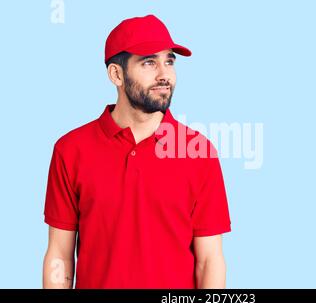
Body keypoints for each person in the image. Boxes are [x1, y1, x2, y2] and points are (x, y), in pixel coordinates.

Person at [42, 14, 231, 289]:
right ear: (116, 74)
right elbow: (59, 255)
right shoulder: (70, 150)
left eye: (169, 61)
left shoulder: (198, 152)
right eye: (149, 62)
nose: (164, 74)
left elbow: (210, 260)